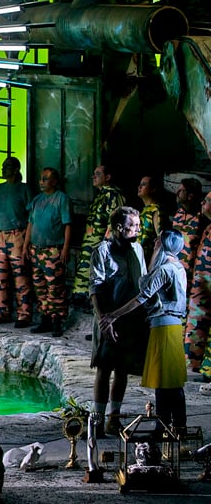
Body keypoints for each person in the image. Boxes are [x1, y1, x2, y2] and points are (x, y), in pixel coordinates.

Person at [101, 230, 188, 434]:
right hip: (172, 326)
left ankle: (165, 426)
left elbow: (142, 297)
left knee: (165, 381)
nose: (155, 242)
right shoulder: (177, 267)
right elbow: (149, 281)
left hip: (163, 326)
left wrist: (114, 315)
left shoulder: (165, 270)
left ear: (164, 244)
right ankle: (174, 425)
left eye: (158, 240)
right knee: (169, 379)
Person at [89, 206, 147, 436]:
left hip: (130, 320)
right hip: (107, 318)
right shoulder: (102, 251)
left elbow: (142, 283)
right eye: (133, 226)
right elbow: (95, 287)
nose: (137, 230)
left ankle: (114, 417)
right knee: (104, 369)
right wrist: (104, 319)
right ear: (119, 228)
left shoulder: (137, 250)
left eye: (138, 225)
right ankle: (97, 420)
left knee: (122, 369)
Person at [24, 168, 72, 333]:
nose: (41, 182)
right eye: (41, 178)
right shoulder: (37, 200)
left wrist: (66, 248)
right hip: (36, 250)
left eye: (45, 179)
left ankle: (56, 320)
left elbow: (67, 225)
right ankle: (44, 319)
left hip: (53, 250)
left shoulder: (61, 199)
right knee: (40, 287)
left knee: (55, 287)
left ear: (55, 181)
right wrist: (25, 246)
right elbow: (30, 224)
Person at [72, 165, 126, 302]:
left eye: (97, 174)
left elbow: (114, 222)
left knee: (97, 277)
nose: (93, 177)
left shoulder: (113, 194)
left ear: (107, 177)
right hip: (90, 246)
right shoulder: (101, 194)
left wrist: (106, 244)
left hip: (99, 246)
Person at [0, 157, 31, 325]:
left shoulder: (24, 189)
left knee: (20, 276)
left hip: (17, 235)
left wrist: (27, 242)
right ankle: (2, 312)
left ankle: (24, 314)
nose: (3, 169)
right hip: (0, 235)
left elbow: (31, 218)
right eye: (3, 166)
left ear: (15, 169)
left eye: (6, 167)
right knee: (0, 276)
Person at [187, 191, 211, 373]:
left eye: (208, 200)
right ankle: (195, 362)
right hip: (200, 287)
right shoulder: (207, 227)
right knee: (197, 322)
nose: (203, 202)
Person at [137, 175, 168, 266]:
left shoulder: (156, 211)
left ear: (153, 189)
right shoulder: (145, 210)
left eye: (143, 184)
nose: (139, 187)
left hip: (148, 261)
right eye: (140, 184)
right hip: (139, 258)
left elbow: (160, 240)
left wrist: (152, 265)